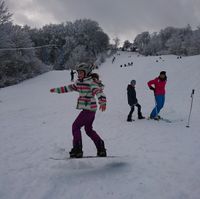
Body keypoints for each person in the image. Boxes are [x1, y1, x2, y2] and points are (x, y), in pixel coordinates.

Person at [50, 63, 107, 158]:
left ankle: (77, 149)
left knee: (75, 126)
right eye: (78, 73)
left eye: (81, 72)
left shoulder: (91, 82)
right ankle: (101, 148)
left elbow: (99, 91)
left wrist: (102, 102)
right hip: (90, 110)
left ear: (87, 73)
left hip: (88, 110)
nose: (79, 74)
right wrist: (56, 90)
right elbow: (68, 88)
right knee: (88, 130)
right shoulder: (79, 83)